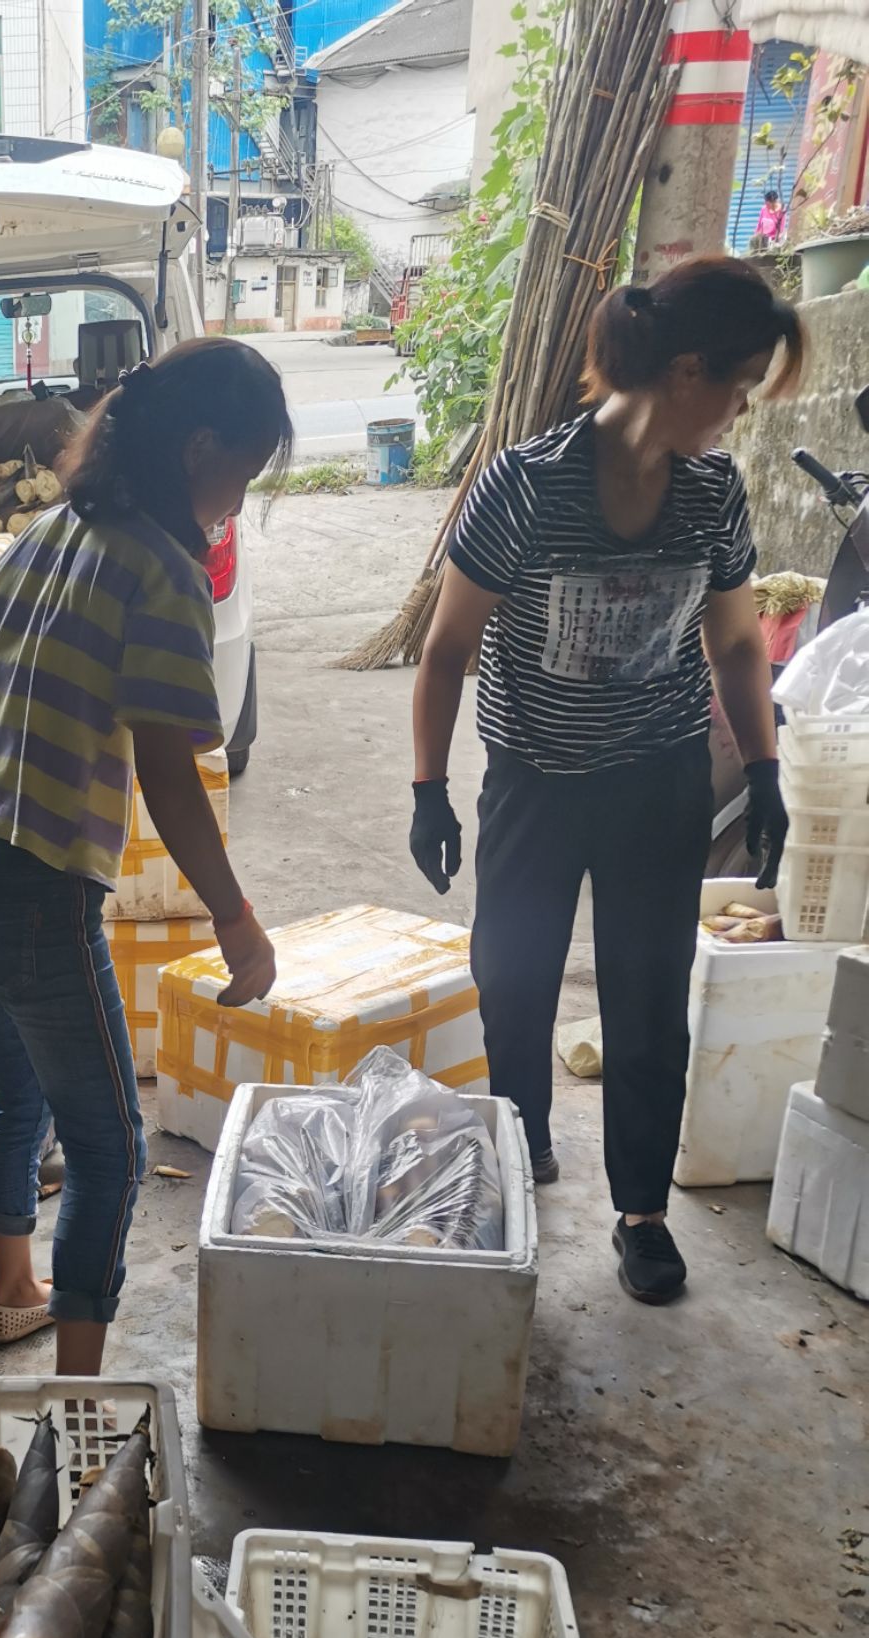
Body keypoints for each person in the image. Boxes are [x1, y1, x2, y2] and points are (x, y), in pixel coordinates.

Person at [409, 257, 803, 1306]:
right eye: (738, 385)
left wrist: (762, 769)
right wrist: (427, 786)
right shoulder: (527, 486)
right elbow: (448, 648)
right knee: (515, 984)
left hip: (657, 781)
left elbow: (735, 643)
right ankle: (523, 1141)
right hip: (536, 779)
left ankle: (641, 1213)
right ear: (685, 371)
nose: (740, 411)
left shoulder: (712, 492)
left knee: (644, 1001)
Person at [0, 337, 288, 1376]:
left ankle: (14, 1293)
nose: (236, 506)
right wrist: (233, 916)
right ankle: (78, 1399)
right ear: (200, 447)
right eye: (241, 476)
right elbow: (171, 770)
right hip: (31, 888)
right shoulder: (162, 571)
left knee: (22, 1084)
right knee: (113, 1145)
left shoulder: (45, 531)